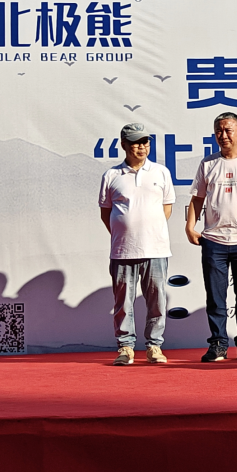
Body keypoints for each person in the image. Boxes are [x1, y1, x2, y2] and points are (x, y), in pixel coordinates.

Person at [186, 112, 237, 362]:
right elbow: (197, 198)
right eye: (219, 131)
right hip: (214, 240)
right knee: (215, 296)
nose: (223, 135)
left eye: (228, 130)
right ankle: (218, 344)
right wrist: (190, 226)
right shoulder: (208, 163)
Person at [99, 123, 176, 365]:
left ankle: (154, 346)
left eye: (145, 142)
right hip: (123, 250)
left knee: (156, 300)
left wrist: (149, 230)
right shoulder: (111, 175)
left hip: (156, 249)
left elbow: (166, 208)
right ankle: (125, 347)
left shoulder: (161, 172)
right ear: (123, 144)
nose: (141, 147)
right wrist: (126, 231)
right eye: (135, 142)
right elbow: (106, 213)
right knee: (123, 302)